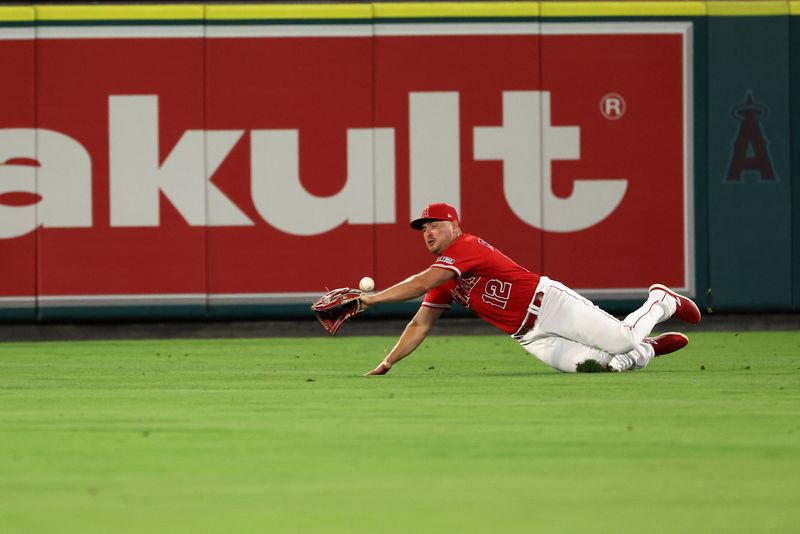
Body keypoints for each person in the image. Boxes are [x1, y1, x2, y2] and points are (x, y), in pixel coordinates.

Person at [359, 202, 701, 375]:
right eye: (424, 229)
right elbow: (420, 324)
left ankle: (661, 300)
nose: (429, 232)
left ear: (455, 226)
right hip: (530, 336)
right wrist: (388, 363)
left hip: (549, 304)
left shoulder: (467, 246)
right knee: (601, 368)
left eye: (435, 225)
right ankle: (649, 351)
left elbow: (420, 283)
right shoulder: (446, 278)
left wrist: (372, 300)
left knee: (623, 339)